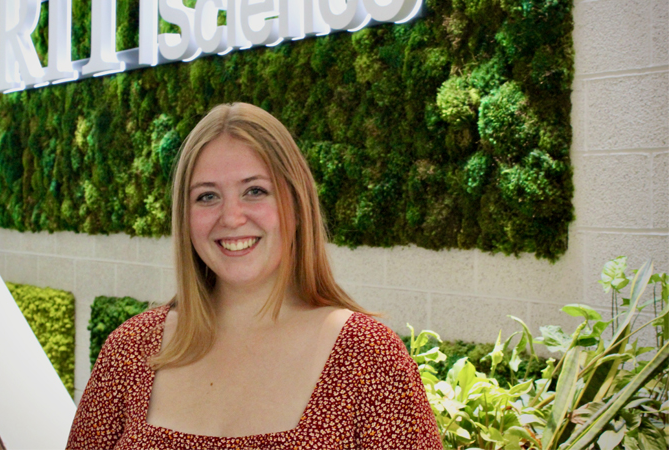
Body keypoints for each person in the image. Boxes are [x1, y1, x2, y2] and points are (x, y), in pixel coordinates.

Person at [66, 103, 442, 449]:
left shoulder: (367, 357)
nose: (231, 217)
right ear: (185, 216)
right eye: (207, 197)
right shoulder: (130, 351)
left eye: (255, 191)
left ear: (295, 205)